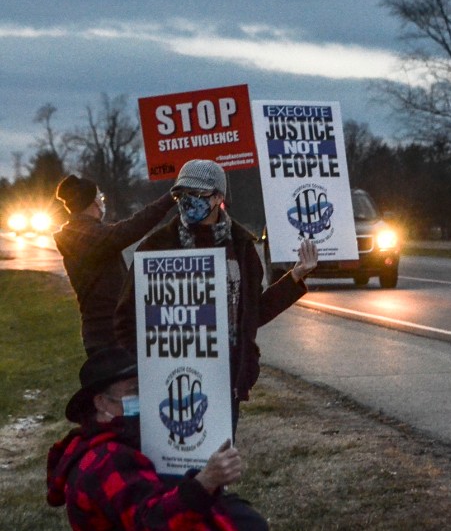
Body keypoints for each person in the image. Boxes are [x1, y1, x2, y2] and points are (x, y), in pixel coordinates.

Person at [115, 159, 317, 429]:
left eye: (197, 195)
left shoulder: (242, 247)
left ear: (219, 197)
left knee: (222, 460)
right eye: (181, 195)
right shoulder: (156, 247)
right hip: (171, 379)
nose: (188, 202)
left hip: (226, 378)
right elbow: (126, 317)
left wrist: (294, 277)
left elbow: (253, 313)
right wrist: (147, 364)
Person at [47, 348, 267, 530]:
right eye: (135, 390)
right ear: (102, 402)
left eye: (147, 387)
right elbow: (151, 522)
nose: (145, 397)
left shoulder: (114, 438)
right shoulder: (107, 458)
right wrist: (205, 482)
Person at [54, 175, 175, 355]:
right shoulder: (89, 237)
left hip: (100, 332)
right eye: (99, 198)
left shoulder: (79, 235)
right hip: (110, 334)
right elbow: (133, 226)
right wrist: (171, 197)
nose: (102, 202)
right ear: (92, 203)